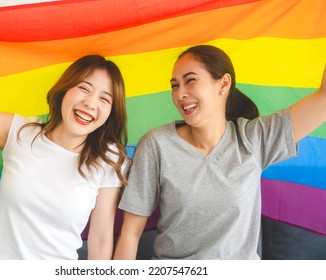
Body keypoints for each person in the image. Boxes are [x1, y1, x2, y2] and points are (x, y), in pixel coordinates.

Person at [113, 45, 326, 260]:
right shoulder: (156, 144)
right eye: (175, 85)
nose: (180, 93)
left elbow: (323, 98)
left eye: (190, 80)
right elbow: (131, 233)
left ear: (223, 84)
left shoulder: (253, 139)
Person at [0, 55, 130, 260]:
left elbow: (100, 239)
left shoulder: (108, 158)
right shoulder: (20, 133)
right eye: (84, 88)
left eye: (105, 99)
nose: (91, 103)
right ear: (65, 89)